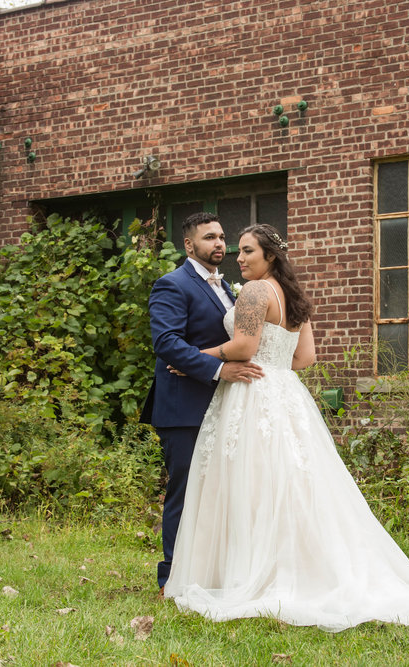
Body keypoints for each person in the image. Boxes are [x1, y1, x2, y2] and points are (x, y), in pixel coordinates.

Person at [163, 224, 409, 632]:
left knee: (252, 482)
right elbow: (305, 358)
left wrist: (195, 356)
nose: (239, 257)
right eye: (239, 251)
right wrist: (273, 362)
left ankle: (247, 572)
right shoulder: (293, 295)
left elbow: (245, 349)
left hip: (253, 392)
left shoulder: (253, 292)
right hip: (286, 392)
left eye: (248, 251)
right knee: (290, 484)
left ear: (269, 256)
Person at [141, 212, 264, 594]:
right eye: (210, 237)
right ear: (189, 245)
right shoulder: (172, 284)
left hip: (224, 408)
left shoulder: (227, 286)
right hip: (184, 407)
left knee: (218, 493)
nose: (220, 244)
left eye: (222, 236)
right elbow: (167, 344)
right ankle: (170, 577)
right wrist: (218, 369)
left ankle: (212, 573)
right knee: (186, 491)